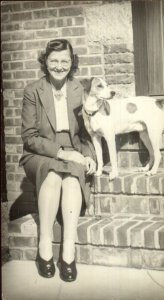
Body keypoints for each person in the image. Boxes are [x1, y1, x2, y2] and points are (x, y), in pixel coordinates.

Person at [19, 39, 96, 282]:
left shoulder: (79, 90)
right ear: (45, 62)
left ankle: (68, 253)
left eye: (65, 60)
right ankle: (44, 248)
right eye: (54, 61)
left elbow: (85, 133)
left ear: (72, 62)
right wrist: (63, 153)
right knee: (52, 177)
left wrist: (88, 155)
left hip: (74, 150)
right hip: (40, 153)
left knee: (72, 181)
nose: (59, 66)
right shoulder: (33, 90)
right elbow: (29, 137)